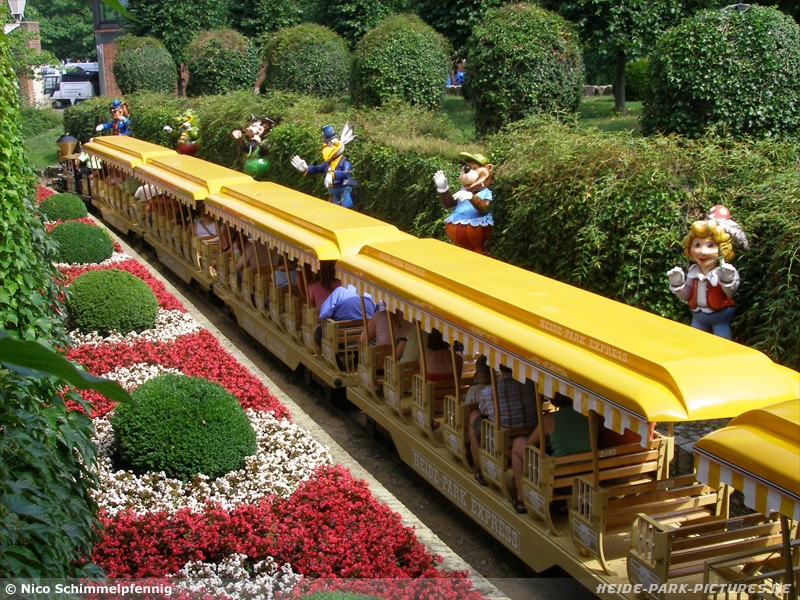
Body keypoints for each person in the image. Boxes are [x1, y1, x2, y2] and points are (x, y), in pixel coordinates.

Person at [510, 392, 590, 514]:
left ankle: (520, 498)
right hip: (585, 481)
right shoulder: (589, 417)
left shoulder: (549, 420)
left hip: (558, 482)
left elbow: (530, 443)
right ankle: (560, 502)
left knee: (518, 444)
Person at [667, 218, 740, 339]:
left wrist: (727, 280)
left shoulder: (724, 271)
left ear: (722, 248)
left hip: (720, 316)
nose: (702, 251)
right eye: (697, 245)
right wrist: (678, 284)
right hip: (698, 317)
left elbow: (730, 293)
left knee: (722, 341)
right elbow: (686, 295)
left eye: (710, 245)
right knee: (695, 340)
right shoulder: (693, 270)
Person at [473, 365, 537, 488]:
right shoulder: (531, 385)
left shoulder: (489, 391)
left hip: (501, 444)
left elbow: (483, 411)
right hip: (531, 440)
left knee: (474, 417)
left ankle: (479, 467)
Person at [432, 152, 494, 254]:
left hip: (477, 237)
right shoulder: (463, 191)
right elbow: (449, 204)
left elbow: (486, 208)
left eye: (474, 168)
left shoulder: (487, 193)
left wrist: (472, 197)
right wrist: (443, 189)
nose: (467, 171)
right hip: (458, 244)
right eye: (467, 167)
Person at [291, 124, 357, 208]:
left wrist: (332, 174)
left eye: (331, 143)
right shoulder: (327, 164)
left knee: (346, 205)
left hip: (343, 190)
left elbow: (345, 173)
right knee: (336, 207)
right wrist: (306, 168)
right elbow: (317, 169)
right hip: (333, 191)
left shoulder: (345, 163)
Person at [466, 356, 491, 483]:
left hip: (486, 429)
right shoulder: (496, 387)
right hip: (493, 429)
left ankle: (478, 465)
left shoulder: (475, 390)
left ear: (479, 374)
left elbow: (469, 408)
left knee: (472, 419)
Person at [232, 115, 274, 180]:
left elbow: (265, 152)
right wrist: (239, 139)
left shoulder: (267, 140)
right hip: (251, 171)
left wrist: (259, 144)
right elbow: (246, 150)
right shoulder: (253, 141)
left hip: (263, 174)